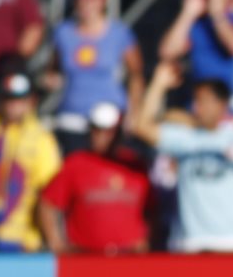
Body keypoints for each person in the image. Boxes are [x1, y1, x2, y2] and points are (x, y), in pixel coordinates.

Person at [132, 63, 233, 253]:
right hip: (191, 242)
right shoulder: (185, 136)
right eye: (196, 101)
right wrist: (159, 85)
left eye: (204, 101)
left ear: (222, 105)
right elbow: (141, 127)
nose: (198, 107)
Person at [0, 53, 60, 252]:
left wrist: (43, 237)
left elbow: (50, 193)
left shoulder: (41, 139)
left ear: (31, 101)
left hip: (19, 236)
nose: (14, 106)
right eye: (9, 100)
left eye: (20, 100)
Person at [50, 0, 144, 156]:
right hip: (73, 119)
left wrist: (134, 113)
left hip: (109, 120)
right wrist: (51, 80)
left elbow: (136, 74)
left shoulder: (120, 33)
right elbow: (53, 68)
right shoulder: (63, 33)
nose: (86, 0)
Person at [38, 101, 151, 254]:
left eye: (108, 131)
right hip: (86, 258)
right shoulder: (76, 164)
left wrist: (147, 239)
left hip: (130, 257)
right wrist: (56, 243)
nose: (101, 137)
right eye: (97, 130)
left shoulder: (134, 165)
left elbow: (152, 210)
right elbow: (48, 203)